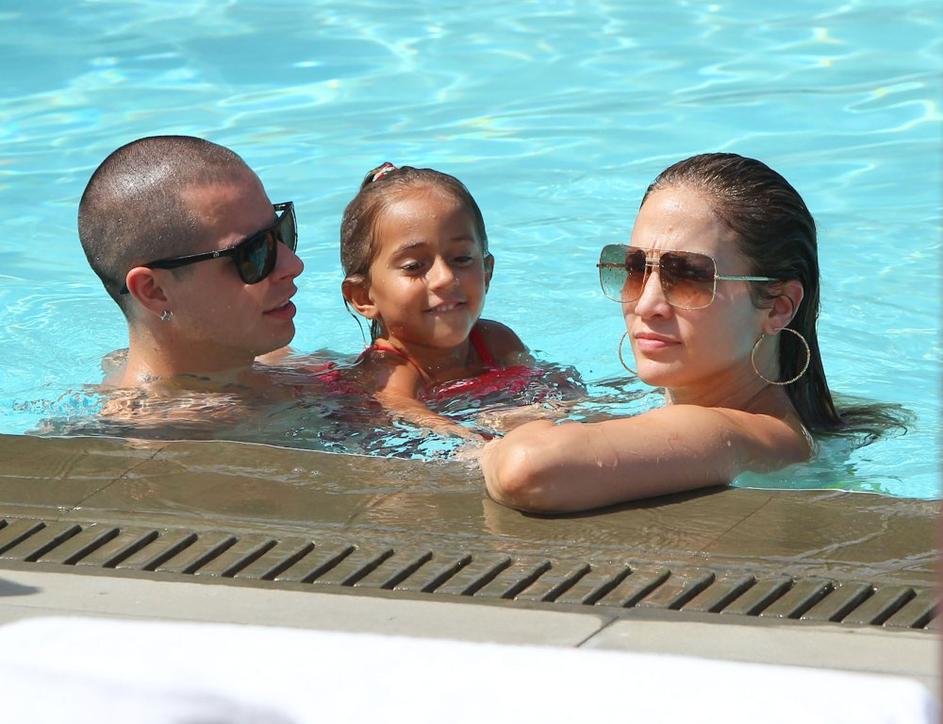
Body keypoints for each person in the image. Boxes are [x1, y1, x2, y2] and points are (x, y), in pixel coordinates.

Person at [480, 153, 906, 513]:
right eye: (634, 268)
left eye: (688, 276)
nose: (646, 304)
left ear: (778, 306)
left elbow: (527, 468)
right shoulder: (746, 419)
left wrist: (490, 448)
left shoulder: (741, 432)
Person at [77, 135, 305, 423]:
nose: (293, 265)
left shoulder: (262, 361)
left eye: (281, 232)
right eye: (254, 253)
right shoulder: (156, 439)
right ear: (154, 291)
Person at [339, 163, 539, 439]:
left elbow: (551, 388)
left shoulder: (497, 341)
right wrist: (479, 437)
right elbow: (406, 411)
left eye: (462, 259)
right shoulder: (387, 370)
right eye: (414, 266)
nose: (445, 278)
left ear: (487, 272)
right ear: (363, 297)